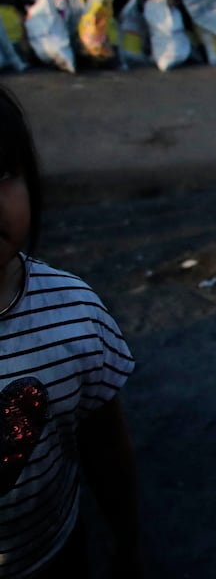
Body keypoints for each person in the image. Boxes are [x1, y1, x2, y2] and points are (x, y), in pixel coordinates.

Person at [0, 87, 143, 578]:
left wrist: (127, 539)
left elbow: (106, 446)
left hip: (52, 557)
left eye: (1, 175)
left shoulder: (74, 312)